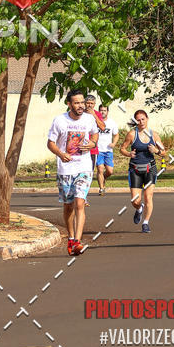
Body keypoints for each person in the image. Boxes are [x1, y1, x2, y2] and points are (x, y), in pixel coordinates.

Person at [47, 89, 98, 256]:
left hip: (84, 167)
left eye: (82, 102)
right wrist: (61, 154)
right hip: (65, 169)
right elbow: (50, 143)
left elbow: (95, 135)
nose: (81, 106)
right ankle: (70, 237)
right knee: (68, 206)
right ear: (69, 104)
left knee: (79, 203)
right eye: (77, 103)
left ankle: (77, 241)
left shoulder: (90, 119)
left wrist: (92, 144)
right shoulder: (60, 121)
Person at [120, 110, 166, 234]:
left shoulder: (154, 135)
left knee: (148, 196)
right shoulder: (131, 134)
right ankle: (139, 208)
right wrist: (129, 154)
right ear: (136, 121)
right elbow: (122, 149)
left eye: (143, 119)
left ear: (147, 119)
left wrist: (156, 151)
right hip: (135, 169)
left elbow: (164, 152)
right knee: (135, 200)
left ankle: (145, 222)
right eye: (138, 120)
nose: (141, 122)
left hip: (150, 168)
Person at [96, 104, 119, 195]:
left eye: (104, 110)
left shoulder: (112, 123)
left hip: (108, 150)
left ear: (107, 112)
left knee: (110, 171)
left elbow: (116, 134)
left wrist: (114, 143)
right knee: (100, 169)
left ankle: (102, 178)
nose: (102, 112)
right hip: (98, 150)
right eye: (101, 110)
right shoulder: (95, 122)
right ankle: (102, 188)